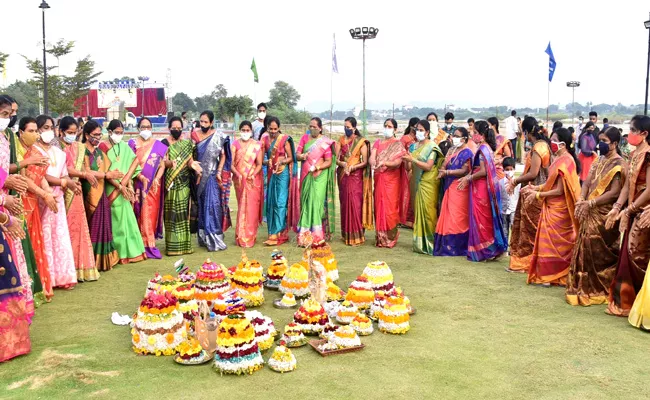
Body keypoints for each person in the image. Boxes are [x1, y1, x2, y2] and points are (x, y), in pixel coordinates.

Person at [566, 127, 624, 306]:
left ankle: (599, 287)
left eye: (605, 141)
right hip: (589, 208)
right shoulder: (598, 160)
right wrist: (582, 198)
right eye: (601, 140)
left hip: (604, 214)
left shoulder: (619, 164)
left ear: (614, 144)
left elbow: (615, 193)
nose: (601, 144)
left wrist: (590, 203)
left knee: (597, 250)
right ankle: (582, 285)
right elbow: (587, 182)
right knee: (583, 246)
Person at [604, 115, 650, 317]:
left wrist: (629, 210)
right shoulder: (634, 155)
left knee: (636, 256)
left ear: (644, 134)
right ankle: (625, 303)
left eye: (632, 130)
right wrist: (617, 207)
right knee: (626, 255)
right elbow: (627, 186)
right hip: (631, 210)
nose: (629, 134)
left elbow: (648, 190)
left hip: (644, 212)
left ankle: (637, 303)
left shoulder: (648, 155)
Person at [0, 96, 40, 317]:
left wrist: (8, 186)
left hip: (6, 204)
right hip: (3, 204)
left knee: (11, 260)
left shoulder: (4, 139)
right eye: (5, 114)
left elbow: (3, 169)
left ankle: (17, 315)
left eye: (9, 115)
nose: (8, 119)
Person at [527, 128, 581, 285]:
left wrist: (538, 195)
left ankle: (559, 275)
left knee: (558, 243)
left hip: (561, 209)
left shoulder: (567, 161)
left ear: (563, 144)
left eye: (555, 139)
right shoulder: (557, 159)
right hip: (551, 206)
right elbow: (550, 183)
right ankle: (549, 274)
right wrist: (536, 188)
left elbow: (559, 190)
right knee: (547, 242)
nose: (551, 143)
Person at [16, 117, 56, 299]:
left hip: (33, 204)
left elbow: (42, 177)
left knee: (34, 245)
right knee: (23, 245)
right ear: (21, 132)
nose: (35, 134)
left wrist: (48, 192)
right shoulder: (17, 151)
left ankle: (37, 290)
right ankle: (24, 291)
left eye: (35, 131)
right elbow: (24, 179)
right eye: (30, 131)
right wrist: (44, 194)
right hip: (19, 203)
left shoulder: (34, 151)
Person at [38, 115, 78, 289]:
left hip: (58, 198)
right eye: (44, 127)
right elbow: (39, 175)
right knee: (44, 236)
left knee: (59, 236)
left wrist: (69, 182)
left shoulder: (59, 153)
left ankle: (63, 277)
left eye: (50, 127)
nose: (48, 131)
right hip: (41, 198)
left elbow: (64, 174)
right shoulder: (33, 151)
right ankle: (48, 278)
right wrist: (63, 182)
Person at [506, 117, 552, 273]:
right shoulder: (543, 145)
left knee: (529, 229)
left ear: (526, 132)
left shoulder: (538, 148)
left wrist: (515, 180)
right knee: (535, 228)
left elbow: (533, 173)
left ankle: (525, 263)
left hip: (534, 191)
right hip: (540, 190)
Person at [459, 121, 508, 262]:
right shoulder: (486, 147)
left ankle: (485, 250)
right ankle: (490, 249)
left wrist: (469, 177)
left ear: (482, 134)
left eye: (475, 132)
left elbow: (483, 171)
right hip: (483, 187)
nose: (472, 135)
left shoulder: (483, 149)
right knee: (485, 218)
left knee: (482, 219)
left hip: (480, 188)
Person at [58, 117, 99, 282]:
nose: (72, 136)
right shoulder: (56, 146)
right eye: (69, 133)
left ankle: (81, 269)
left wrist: (85, 173)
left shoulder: (79, 147)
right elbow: (63, 168)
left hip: (76, 191)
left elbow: (83, 166)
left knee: (79, 229)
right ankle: (66, 270)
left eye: (75, 133)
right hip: (61, 189)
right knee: (64, 230)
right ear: (61, 132)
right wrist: (83, 174)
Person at [100, 120, 147, 264]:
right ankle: (118, 254)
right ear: (109, 132)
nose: (119, 135)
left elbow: (134, 163)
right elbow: (105, 171)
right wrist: (120, 186)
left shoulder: (124, 146)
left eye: (121, 133)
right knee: (116, 221)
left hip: (125, 187)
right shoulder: (103, 146)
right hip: (111, 188)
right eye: (116, 132)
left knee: (128, 220)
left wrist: (126, 183)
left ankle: (133, 252)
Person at [80, 120, 122, 271]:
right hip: (88, 192)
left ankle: (104, 260)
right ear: (86, 135)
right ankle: (91, 262)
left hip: (101, 192)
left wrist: (119, 184)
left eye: (99, 134)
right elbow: (85, 171)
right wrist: (105, 174)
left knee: (104, 225)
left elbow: (108, 174)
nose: (98, 137)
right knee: (92, 226)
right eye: (95, 135)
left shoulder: (100, 153)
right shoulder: (81, 150)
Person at [191, 110, 231, 252]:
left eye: (206, 122)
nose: (203, 124)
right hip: (198, 175)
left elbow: (223, 155)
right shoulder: (194, 135)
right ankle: (203, 237)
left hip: (212, 175)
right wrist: (195, 169)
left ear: (212, 123)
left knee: (212, 205)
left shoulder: (218, 136)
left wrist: (219, 171)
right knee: (201, 205)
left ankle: (214, 237)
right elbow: (191, 154)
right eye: (201, 121)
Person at [401, 120, 443, 255]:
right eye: (417, 129)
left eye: (421, 130)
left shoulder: (432, 147)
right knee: (417, 211)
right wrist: (406, 159)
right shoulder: (413, 147)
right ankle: (419, 244)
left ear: (427, 132)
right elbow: (408, 168)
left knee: (428, 213)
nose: (418, 132)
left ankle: (431, 244)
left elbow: (429, 166)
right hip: (415, 182)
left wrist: (412, 160)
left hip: (428, 183)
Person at [128, 117, 168, 259]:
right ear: (138, 128)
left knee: (151, 214)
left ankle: (150, 244)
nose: (146, 130)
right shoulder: (132, 144)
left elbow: (162, 166)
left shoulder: (158, 145)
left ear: (152, 128)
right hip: (138, 185)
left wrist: (156, 179)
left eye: (148, 127)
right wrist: (138, 177)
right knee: (138, 213)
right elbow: (129, 164)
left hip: (153, 186)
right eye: (143, 127)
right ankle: (139, 244)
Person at [161, 117, 201, 256]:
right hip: (170, 183)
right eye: (174, 128)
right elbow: (162, 163)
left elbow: (189, 161)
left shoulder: (186, 144)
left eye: (179, 128)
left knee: (183, 214)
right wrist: (170, 163)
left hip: (184, 183)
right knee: (171, 214)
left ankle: (185, 246)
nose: (177, 130)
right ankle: (172, 247)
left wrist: (194, 165)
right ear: (169, 128)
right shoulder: (164, 143)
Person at [295, 117, 336, 246]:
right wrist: (302, 156)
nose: (311, 129)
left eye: (314, 126)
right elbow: (297, 154)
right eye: (310, 126)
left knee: (317, 204)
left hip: (319, 177)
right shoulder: (304, 139)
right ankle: (304, 236)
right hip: (306, 174)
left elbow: (328, 161)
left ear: (320, 128)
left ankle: (317, 236)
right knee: (306, 203)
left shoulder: (324, 142)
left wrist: (317, 167)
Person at [434, 127, 474, 256]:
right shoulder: (451, 149)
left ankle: (457, 247)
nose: (454, 137)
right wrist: (442, 171)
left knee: (457, 216)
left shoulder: (468, 152)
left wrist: (447, 172)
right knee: (447, 215)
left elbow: (464, 171)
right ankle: (446, 246)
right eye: (453, 135)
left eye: (457, 136)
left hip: (459, 187)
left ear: (464, 139)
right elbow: (445, 163)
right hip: (448, 185)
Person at [336, 117, 371, 246]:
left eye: (348, 127)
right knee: (345, 203)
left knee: (356, 204)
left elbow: (365, 161)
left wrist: (353, 167)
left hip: (355, 176)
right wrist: (342, 163)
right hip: (343, 174)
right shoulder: (341, 140)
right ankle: (346, 234)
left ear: (354, 128)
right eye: (345, 127)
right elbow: (336, 158)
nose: (346, 129)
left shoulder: (361, 142)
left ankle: (357, 235)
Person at [370, 118, 406, 248]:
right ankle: (380, 238)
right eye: (385, 125)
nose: (387, 128)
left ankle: (390, 237)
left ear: (395, 129)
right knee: (379, 206)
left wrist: (385, 163)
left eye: (390, 126)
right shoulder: (378, 142)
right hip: (379, 178)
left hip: (392, 181)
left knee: (390, 208)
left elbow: (398, 163)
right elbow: (372, 157)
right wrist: (373, 162)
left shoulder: (398, 144)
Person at [261, 116, 296, 246]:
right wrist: (267, 162)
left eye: (276, 129)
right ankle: (272, 232)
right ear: (267, 128)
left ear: (279, 128)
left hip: (282, 174)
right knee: (271, 201)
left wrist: (282, 161)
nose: (273, 131)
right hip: (271, 173)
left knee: (280, 202)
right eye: (271, 129)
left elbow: (291, 157)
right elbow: (261, 159)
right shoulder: (264, 140)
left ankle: (280, 232)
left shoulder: (284, 140)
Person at [231, 121, 263, 247]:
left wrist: (253, 174)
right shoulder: (235, 144)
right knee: (241, 207)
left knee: (251, 208)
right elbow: (231, 164)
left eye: (247, 130)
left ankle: (250, 236)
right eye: (243, 130)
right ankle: (240, 236)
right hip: (239, 181)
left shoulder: (257, 145)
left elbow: (259, 164)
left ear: (251, 131)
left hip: (252, 181)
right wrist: (238, 174)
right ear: (240, 130)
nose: (245, 132)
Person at [399, 117, 419, 228]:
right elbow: (400, 153)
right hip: (407, 169)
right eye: (415, 126)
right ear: (411, 126)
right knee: (407, 194)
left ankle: (415, 219)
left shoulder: (419, 140)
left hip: (416, 168)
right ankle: (405, 219)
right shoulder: (405, 138)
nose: (417, 129)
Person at [489, 116, 513, 181]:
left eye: (488, 125)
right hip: (487, 167)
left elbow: (508, 156)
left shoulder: (502, 139)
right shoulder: (486, 140)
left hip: (498, 168)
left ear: (494, 125)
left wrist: (498, 161)